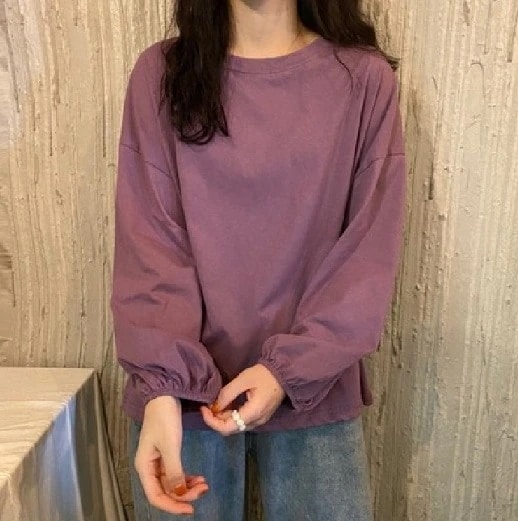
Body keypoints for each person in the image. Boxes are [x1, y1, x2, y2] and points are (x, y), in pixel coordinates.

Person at [110, 0, 406, 519]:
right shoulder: (162, 74)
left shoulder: (362, 80)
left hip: (314, 390)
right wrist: (161, 386)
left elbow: (367, 252)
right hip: (182, 399)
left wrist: (289, 371)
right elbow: (148, 240)